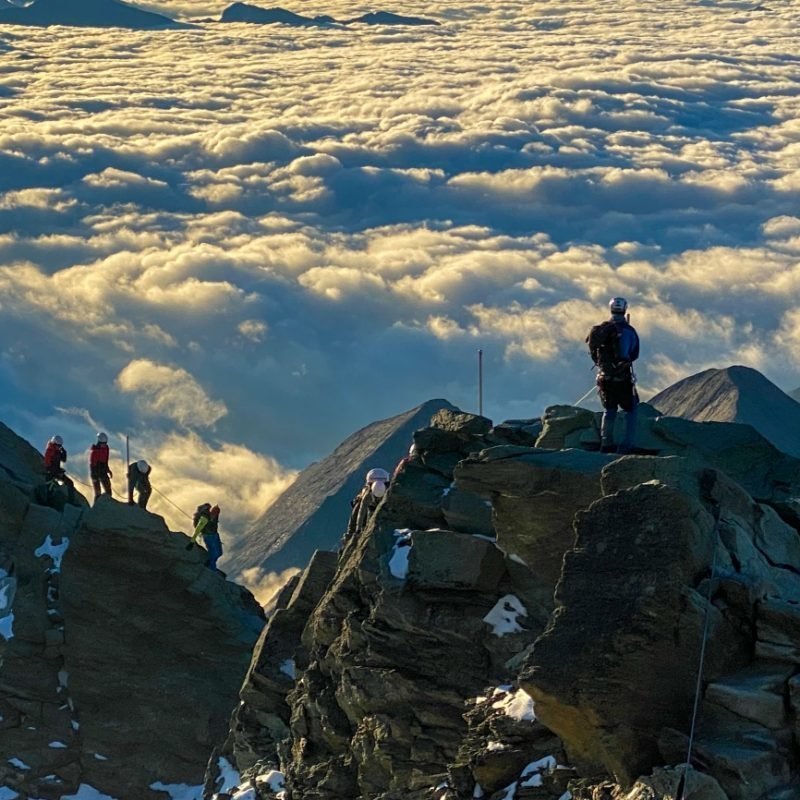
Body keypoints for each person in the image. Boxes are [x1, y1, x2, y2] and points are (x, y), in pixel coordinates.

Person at [587, 296, 640, 454]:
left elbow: (594, 355)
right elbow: (634, 354)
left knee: (609, 410)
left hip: (604, 377)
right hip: (623, 378)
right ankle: (625, 446)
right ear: (625, 309)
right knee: (631, 410)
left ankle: (606, 444)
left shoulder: (601, 330)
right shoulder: (628, 331)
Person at [346, 467, 390, 542]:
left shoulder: (366, 496)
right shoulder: (366, 496)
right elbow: (361, 512)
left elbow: (361, 512)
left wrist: (358, 529)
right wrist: (358, 529)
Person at [190, 503, 223, 573]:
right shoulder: (205, 518)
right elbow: (198, 529)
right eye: (215, 511)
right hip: (208, 537)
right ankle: (211, 569)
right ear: (212, 511)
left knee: (219, 552)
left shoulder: (214, 517)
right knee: (214, 553)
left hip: (215, 535)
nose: (216, 513)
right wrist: (192, 541)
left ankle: (210, 563)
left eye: (217, 512)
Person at [43, 435, 76, 501]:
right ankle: (48, 503)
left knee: (70, 483)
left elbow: (63, 460)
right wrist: (58, 472)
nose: (59, 447)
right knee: (50, 488)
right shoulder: (49, 451)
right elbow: (48, 466)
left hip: (57, 473)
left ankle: (71, 501)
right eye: (58, 446)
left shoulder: (57, 451)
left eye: (60, 446)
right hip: (51, 474)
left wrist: (64, 452)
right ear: (54, 444)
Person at [89, 432, 113, 500]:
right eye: (103, 443)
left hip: (103, 471)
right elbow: (92, 465)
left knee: (108, 490)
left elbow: (105, 461)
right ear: (99, 442)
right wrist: (94, 477)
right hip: (95, 472)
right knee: (98, 493)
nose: (105, 444)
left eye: (106, 443)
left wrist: (108, 470)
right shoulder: (95, 451)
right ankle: (96, 508)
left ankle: (108, 504)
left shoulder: (106, 449)